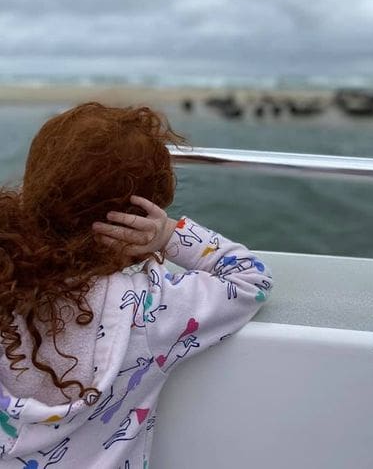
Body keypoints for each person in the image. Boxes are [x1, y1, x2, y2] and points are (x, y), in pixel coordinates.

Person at [0, 102, 273, 467]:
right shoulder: (151, 307)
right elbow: (250, 278)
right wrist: (168, 235)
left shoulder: (6, 280)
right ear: (144, 210)